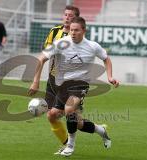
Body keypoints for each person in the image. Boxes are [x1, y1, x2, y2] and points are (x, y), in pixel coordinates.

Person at [28, 17, 119, 156]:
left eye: (76, 30)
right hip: (63, 85)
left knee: (69, 109)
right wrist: (35, 81)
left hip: (80, 84)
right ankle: (101, 130)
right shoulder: (60, 43)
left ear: (84, 30)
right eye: (71, 30)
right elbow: (41, 58)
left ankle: (70, 146)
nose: (73, 33)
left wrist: (110, 76)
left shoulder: (93, 46)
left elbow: (106, 58)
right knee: (61, 117)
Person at [42, 5, 80, 154]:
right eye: (65, 14)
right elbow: (47, 53)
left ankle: (69, 145)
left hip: (68, 82)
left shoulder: (77, 37)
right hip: (52, 79)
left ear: (75, 18)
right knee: (52, 116)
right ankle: (68, 143)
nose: (67, 17)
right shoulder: (54, 32)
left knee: (57, 114)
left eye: (70, 15)